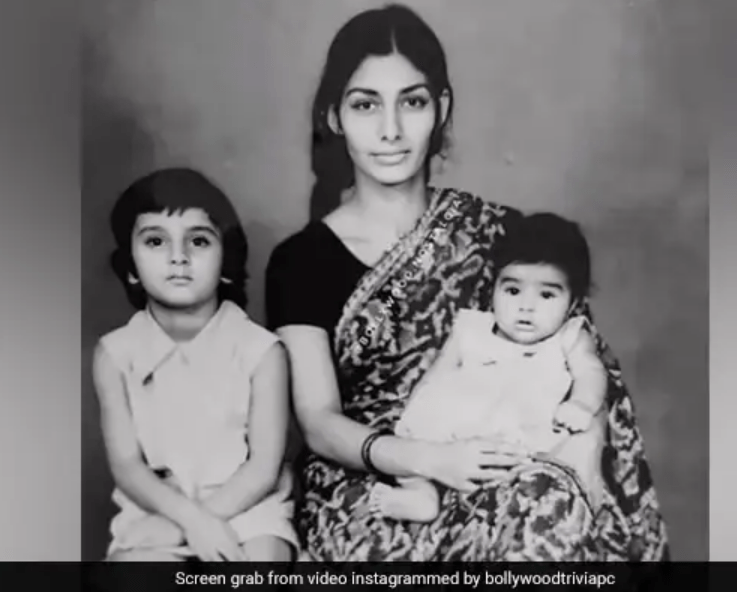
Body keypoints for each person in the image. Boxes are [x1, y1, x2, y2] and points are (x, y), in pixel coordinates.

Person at [265, 4, 669, 561]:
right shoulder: (300, 260)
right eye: (365, 105)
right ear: (334, 116)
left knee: (546, 502)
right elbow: (318, 423)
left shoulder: (505, 237)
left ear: (441, 108)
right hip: (377, 486)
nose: (390, 129)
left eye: (412, 101)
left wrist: (584, 444)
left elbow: (583, 367)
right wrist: (429, 459)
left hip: (511, 456)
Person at [93, 168, 297, 562]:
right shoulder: (116, 355)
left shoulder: (262, 350)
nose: (178, 257)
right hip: (160, 512)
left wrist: (203, 523)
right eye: (155, 241)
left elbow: (262, 469)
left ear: (226, 261)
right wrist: (188, 521)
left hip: (248, 511)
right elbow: (128, 467)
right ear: (131, 267)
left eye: (198, 241)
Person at [369, 212, 608, 523]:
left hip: (521, 438)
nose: (526, 306)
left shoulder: (570, 336)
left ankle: (505, 506)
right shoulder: (472, 328)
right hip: (455, 427)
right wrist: (416, 415)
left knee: (550, 469)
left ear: (573, 303)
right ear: (493, 288)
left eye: (547, 294)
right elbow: (436, 375)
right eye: (512, 290)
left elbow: (591, 372)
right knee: (417, 451)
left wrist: (581, 404)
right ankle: (421, 497)